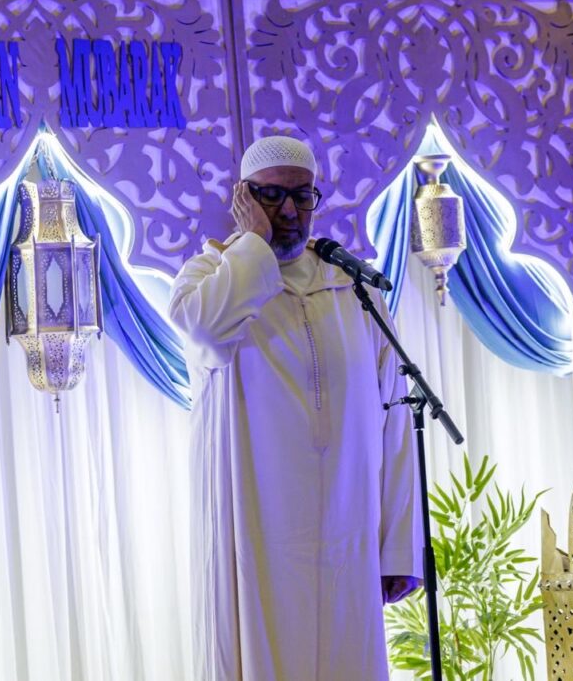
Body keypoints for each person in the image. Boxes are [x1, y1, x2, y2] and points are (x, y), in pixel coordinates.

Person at [169, 135, 423, 681]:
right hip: (258, 535)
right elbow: (207, 332)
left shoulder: (352, 287)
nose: (288, 211)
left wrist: (400, 546)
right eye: (271, 196)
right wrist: (253, 245)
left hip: (349, 531)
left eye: (301, 196)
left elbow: (397, 414)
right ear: (243, 198)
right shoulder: (209, 278)